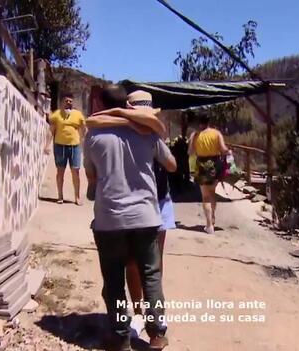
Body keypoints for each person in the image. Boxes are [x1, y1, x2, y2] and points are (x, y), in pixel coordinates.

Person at [84, 85, 176, 351]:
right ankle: (157, 334)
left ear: (101, 103)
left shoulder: (93, 136)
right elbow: (171, 165)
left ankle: (121, 336)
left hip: (109, 219)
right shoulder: (147, 132)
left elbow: (91, 177)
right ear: (127, 103)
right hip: (146, 216)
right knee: (151, 276)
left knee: (113, 280)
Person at [188, 115, 230, 234]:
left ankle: (209, 225)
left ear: (199, 123)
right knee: (212, 193)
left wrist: (194, 142)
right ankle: (213, 218)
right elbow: (223, 149)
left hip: (201, 165)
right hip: (215, 165)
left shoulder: (195, 135)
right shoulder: (216, 134)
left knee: (205, 196)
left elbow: (190, 152)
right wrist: (228, 152)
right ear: (208, 122)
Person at [48, 93, 86, 205]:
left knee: (76, 171)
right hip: (60, 146)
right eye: (66, 101)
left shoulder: (78, 114)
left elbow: (84, 129)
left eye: (70, 101)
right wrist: (47, 145)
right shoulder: (56, 114)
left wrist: (84, 142)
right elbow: (51, 130)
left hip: (75, 146)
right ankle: (60, 196)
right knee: (60, 171)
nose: (68, 103)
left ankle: (77, 197)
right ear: (62, 102)